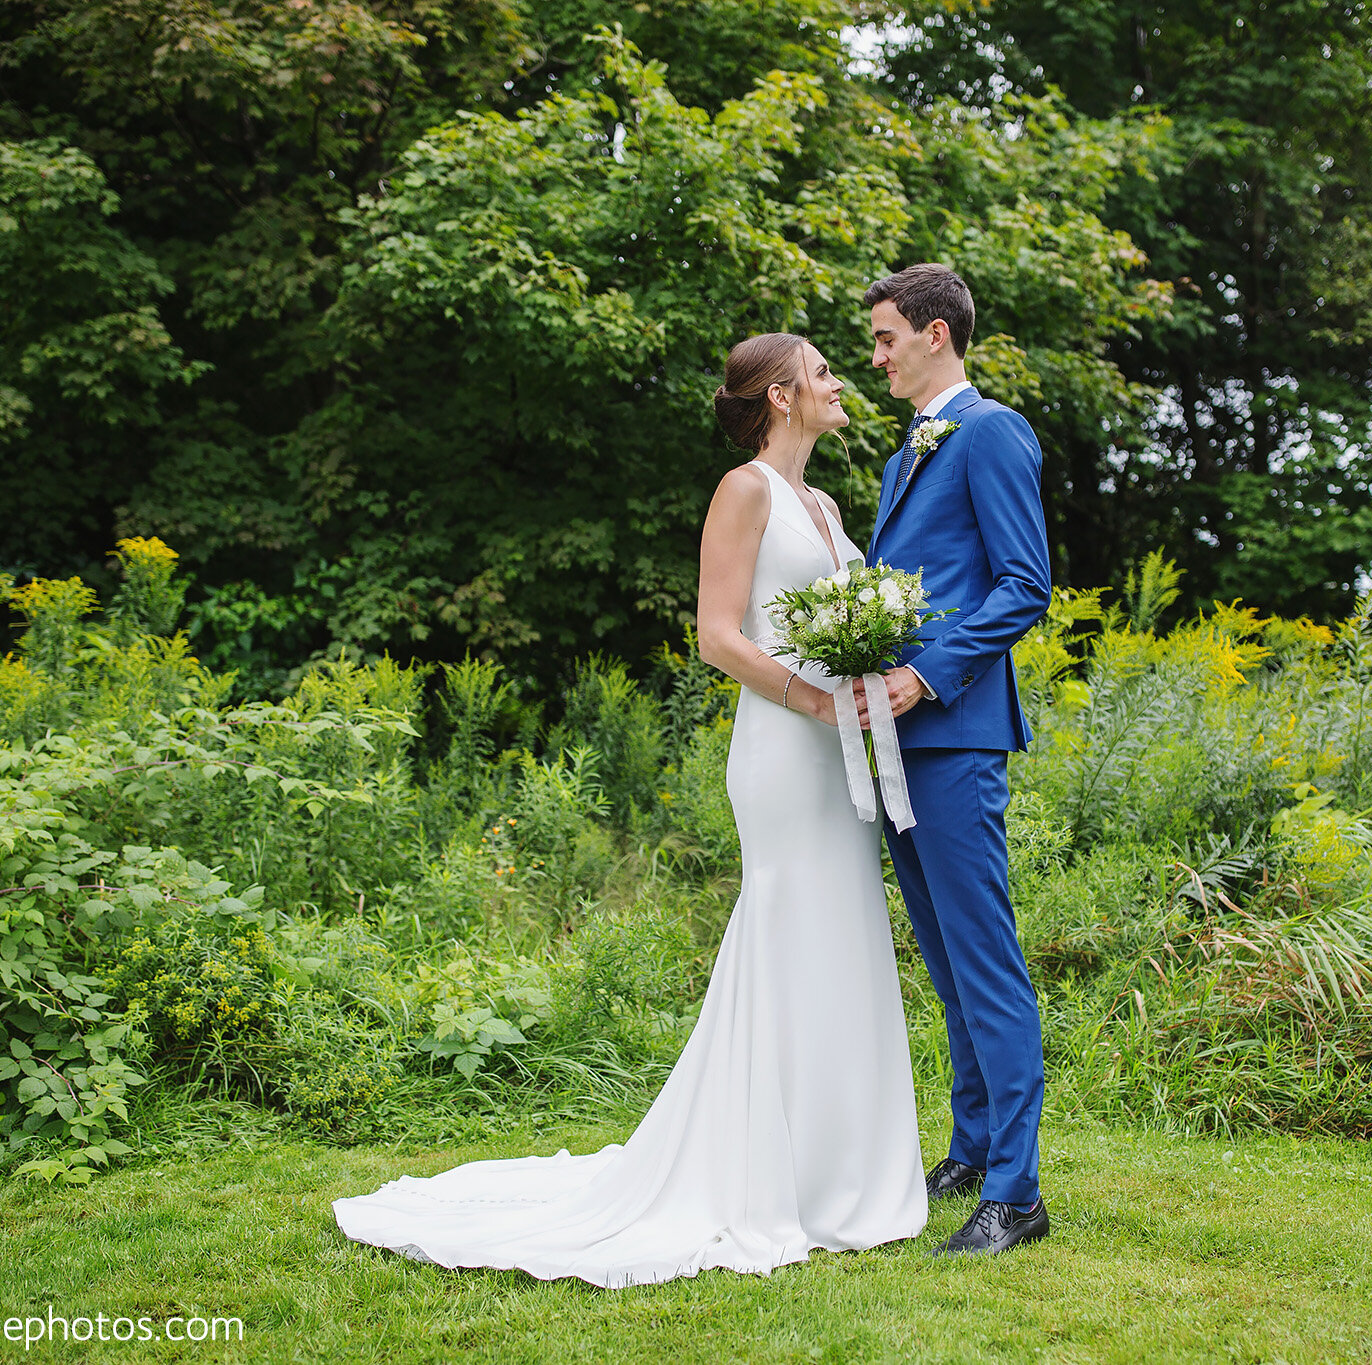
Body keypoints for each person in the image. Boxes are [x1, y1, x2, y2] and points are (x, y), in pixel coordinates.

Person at [331, 332, 927, 1287]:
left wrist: (861, 669)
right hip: (783, 749)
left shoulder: (825, 503)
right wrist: (815, 698)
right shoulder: (746, 491)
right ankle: (765, 1175)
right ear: (779, 396)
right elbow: (716, 636)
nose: (839, 380)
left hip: (836, 753)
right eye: (821, 371)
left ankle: (836, 1173)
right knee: (789, 929)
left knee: (842, 935)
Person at [861, 263, 1054, 1256]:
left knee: (985, 967)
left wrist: (925, 676)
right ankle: (972, 1149)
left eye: (887, 337)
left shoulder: (990, 432)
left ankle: (1016, 1196)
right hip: (893, 744)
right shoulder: (903, 461)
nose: (876, 355)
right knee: (943, 965)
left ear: (936, 334)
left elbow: (1025, 586)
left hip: (956, 732)